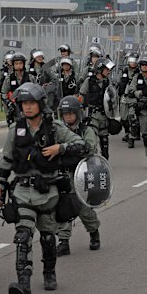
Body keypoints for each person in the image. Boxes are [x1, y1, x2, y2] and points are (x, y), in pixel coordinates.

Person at [0, 83, 87, 294]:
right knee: (23, 235)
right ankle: (23, 283)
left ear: (41, 104)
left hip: (49, 192)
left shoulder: (54, 128)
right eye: (24, 103)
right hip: (23, 191)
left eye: (32, 103)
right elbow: (5, 162)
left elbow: (81, 145)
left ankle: (49, 272)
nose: (27, 107)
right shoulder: (15, 130)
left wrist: (59, 148)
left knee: (47, 237)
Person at [56, 96, 101, 256]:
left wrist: (68, 149)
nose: (68, 116)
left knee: (82, 208)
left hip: (80, 174)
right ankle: (63, 241)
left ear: (77, 113)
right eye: (65, 113)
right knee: (62, 207)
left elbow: (89, 149)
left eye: (70, 113)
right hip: (62, 175)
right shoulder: (58, 130)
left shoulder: (85, 130)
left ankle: (93, 231)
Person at [78, 58, 116, 160]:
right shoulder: (89, 81)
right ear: (100, 69)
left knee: (104, 141)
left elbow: (112, 100)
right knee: (92, 140)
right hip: (92, 115)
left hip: (104, 115)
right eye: (107, 69)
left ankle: (104, 162)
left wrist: (113, 116)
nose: (109, 72)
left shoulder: (108, 82)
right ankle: (92, 161)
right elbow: (81, 96)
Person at [1, 53, 36, 125]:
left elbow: (36, 91)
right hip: (14, 106)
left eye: (20, 63)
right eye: (16, 63)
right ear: (13, 65)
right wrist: (9, 103)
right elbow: (4, 93)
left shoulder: (30, 77)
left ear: (23, 64)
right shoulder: (9, 78)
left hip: (28, 105)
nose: (18, 65)